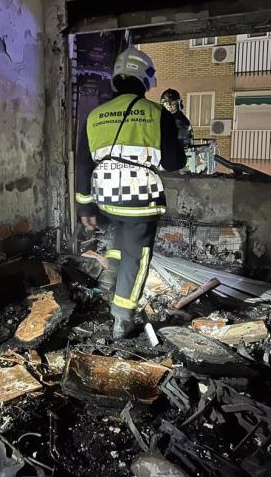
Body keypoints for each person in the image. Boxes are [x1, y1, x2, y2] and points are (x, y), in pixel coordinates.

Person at [75, 47, 187, 339]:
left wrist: (85, 208)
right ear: (145, 78)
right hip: (139, 199)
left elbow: (83, 164)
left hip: (105, 198)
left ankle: (110, 282)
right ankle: (122, 318)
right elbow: (174, 163)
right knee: (136, 257)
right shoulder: (156, 114)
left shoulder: (94, 115)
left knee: (119, 242)